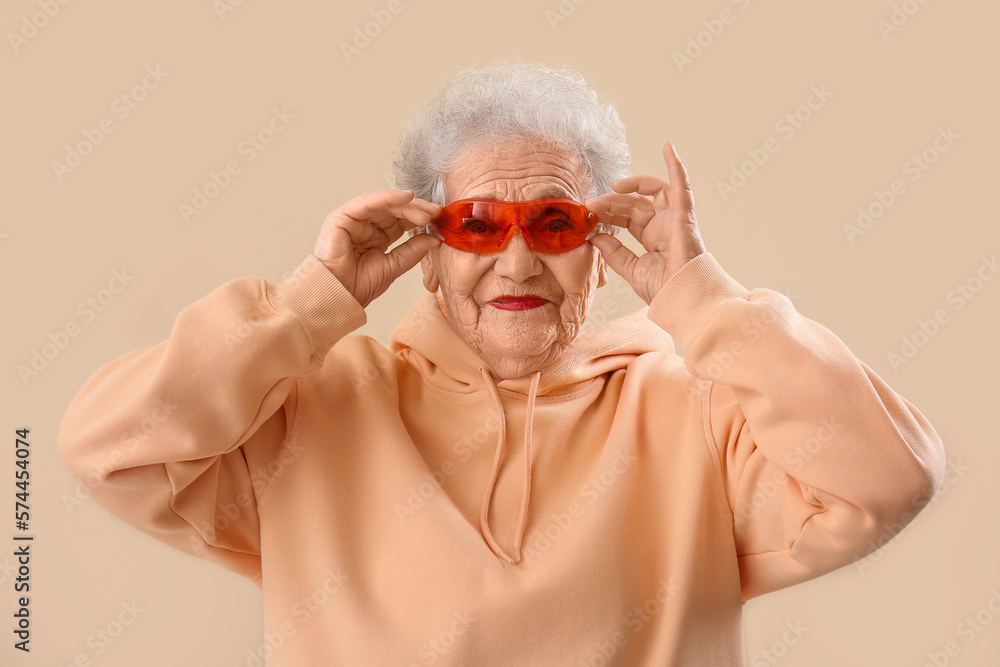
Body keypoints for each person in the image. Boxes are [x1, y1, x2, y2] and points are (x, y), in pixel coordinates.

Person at [58, 61, 945, 666]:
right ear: (429, 251)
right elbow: (108, 447)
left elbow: (891, 477)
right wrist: (304, 302)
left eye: (555, 225)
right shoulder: (309, 408)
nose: (518, 263)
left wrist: (704, 299)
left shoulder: (702, 417)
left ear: (601, 248)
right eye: (478, 225)